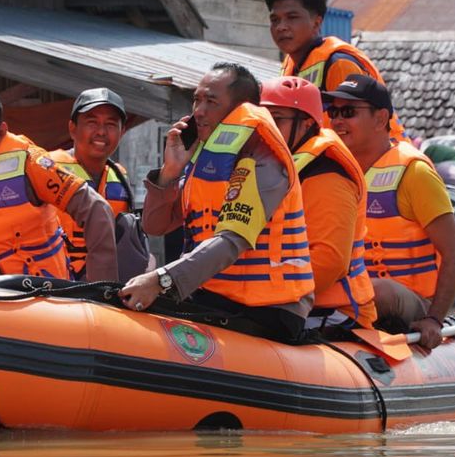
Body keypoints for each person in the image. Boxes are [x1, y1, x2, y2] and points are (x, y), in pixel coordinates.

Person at [119, 63, 314, 342]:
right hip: (216, 296)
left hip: (268, 309)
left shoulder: (265, 158)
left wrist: (161, 279)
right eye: (197, 100)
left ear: (238, 109)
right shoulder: (205, 156)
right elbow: (155, 224)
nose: (199, 110)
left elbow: (233, 239)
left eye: (211, 101)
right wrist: (170, 173)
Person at [326, 74, 455, 349]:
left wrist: (434, 319)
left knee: (378, 290)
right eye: (333, 112)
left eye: (349, 112)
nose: (338, 121)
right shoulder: (332, 171)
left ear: (380, 119)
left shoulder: (414, 173)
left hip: (410, 300)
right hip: (351, 294)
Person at [0, 86, 118, 282]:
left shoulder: (30, 163)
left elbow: (97, 209)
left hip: (41, 296)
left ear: (1, 131)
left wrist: (102, 288)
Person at [259, 76, 377, 332]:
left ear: (307, 124)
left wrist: (264, 292)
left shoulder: (327, 175)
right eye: (262, 118)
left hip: (332, 312)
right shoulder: (269, 165)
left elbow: (330, 261)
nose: (265, 127)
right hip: (285, 301)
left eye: (276, 119)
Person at [265, 0, 408, 144]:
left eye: (292, 17)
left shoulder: (338, 63)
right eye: (275, 20)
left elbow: (358, 133)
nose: (281, 26)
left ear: (317, 22)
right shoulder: (289, 65)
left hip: (381, 164)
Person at [49, 88, 148, 281]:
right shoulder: (48, 167)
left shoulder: (119, 176)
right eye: (92, 122)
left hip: (102, 290)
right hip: (54, 288)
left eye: (110, 124)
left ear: (122, 132)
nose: (101, 132)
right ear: (72, 128)